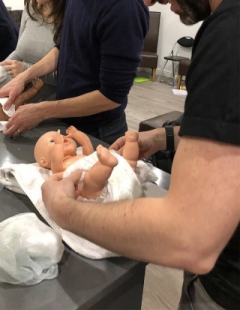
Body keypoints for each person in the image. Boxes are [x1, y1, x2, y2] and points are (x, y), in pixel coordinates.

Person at [41, 0, 240, 309]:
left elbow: (188, 237)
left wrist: (63, 209)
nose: (155, 2)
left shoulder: (230, 34)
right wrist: (166, 136)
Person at [0, 0, 149, 143]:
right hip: (67, 123)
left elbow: (112, 96)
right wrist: (24, 77)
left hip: (99, 133)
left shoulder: (124, 8)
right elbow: (64, 47)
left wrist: (42, 111)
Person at [34, 126, 139, 199]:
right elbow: (55, 160)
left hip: (114, 174)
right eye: (53, 141)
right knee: (91, 179)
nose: (61, 138)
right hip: (92, 188)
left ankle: (131, 142)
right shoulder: (59, 169)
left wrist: (76, 134)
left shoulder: (83, 156)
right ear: (44, 161)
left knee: (128, 163)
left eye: (62, 136)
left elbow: (86, 143)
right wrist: (58, 145)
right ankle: (106, 165)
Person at [0, 0, 66, 102]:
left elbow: (70, 76)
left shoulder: (73, 18)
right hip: (18, 89)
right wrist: (3, 67)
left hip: (49, 100)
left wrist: (26, 70)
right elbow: (19, 52)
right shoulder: (30, 8)